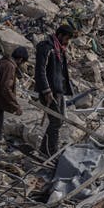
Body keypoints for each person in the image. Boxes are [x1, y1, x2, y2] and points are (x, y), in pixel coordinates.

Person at [34, 24, 76, 157]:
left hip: (58, 91)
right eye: (67, 38)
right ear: (60, 35)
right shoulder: (46, 47)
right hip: (49, 92)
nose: (67, 42)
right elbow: (40, 70)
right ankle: (48, 152)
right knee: (56, 121)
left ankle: (48, 150)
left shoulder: (59, 49)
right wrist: (46, 91)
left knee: (58, 121)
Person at [0, 47, 28, 165]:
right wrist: (15, 106)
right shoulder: (10, 66)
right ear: (20, 59)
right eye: (22, 63)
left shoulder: (1, 61)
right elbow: (5, 89)